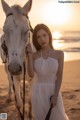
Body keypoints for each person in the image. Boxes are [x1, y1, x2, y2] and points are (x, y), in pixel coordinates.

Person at [26, 23, 69, 120]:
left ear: (49, 35)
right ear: (36, 40)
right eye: (38, 37)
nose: (42, 39)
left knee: (59, 117)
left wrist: (56, 95)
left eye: (44, 35)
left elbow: (60, 75)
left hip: (53, 91)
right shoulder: (34, 55)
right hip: (38, 92)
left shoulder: (59, 54)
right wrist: (29, 55)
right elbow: (31, 74)